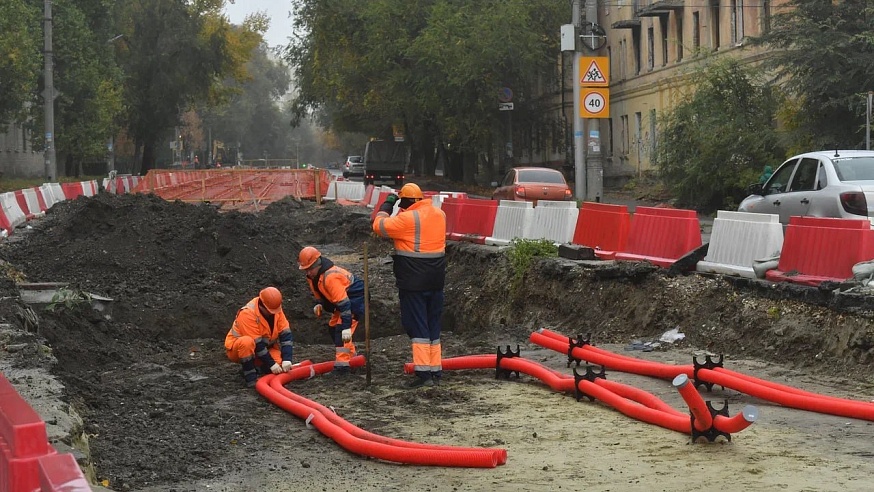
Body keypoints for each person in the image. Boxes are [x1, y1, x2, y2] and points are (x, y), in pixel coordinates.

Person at [371, 183, 447, 388]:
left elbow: (378, 226)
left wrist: (387, 205)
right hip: (436, 279)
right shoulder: (440, 214)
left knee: (418, 326)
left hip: (414, 282)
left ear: (404, 201)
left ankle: (424, 374)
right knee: (433, 327)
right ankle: (435, 369)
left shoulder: (407, 219)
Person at [299, 246, 365, 375]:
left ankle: (342, 366)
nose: (307, 272)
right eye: (305, 270)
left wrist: (346, 327)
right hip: (343, 302)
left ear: (317, 265)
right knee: (333, 327)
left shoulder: (331, 278)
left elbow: (345, 304)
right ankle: (352, 357)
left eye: (309, 269)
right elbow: (320, 295)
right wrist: (319, 304)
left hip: (355, 300)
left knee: (341, 330)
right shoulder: (313, 277)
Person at [224, 287, 294, 387]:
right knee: (247, 342)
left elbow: (286, 334)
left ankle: (257, 367)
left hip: (265, 348)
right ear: (262, 306)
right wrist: (271, 364)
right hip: (239, 349)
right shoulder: (247, 314)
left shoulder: (275, 308)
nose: (272, 314)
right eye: (270, 311)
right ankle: (250, 377)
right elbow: (257, 344)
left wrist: (287, 358)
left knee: (280, 365)